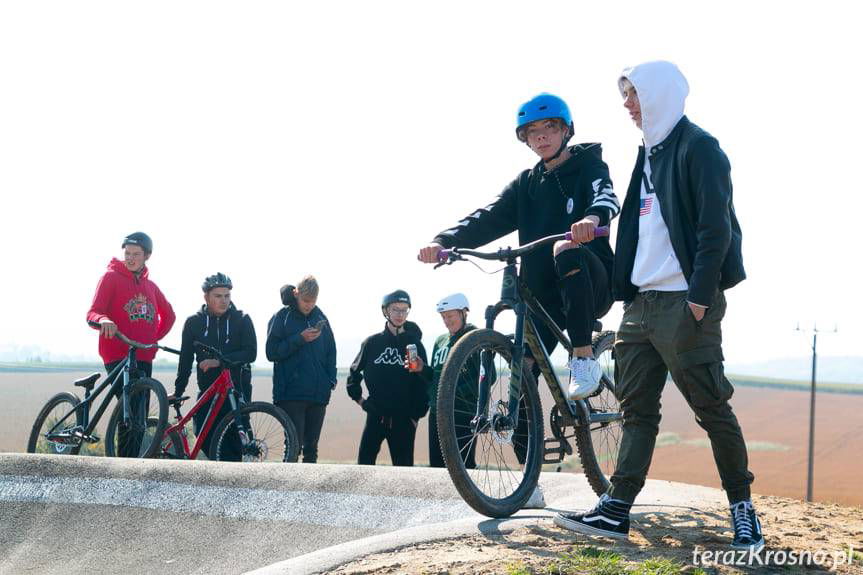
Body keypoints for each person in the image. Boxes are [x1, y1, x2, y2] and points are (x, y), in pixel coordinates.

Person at [554, 60, 762, 552]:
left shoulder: (700, 148)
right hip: (641, 306)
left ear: (661, 95)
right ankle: (616, 509)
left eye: (634, 96)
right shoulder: (648, 152)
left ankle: (743, 511)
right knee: (637, 412)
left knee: (711, 409)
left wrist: (698, 298)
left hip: (684, 304)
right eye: (625, 97)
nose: (627, 106)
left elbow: (717, 230)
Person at [418, 93, 619, 399]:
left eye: (550, 127)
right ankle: (527, 440)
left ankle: (582, 358)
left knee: (564, 249)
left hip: (589, 283)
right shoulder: (526, 184)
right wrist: (443, 241)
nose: (541, 136)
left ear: (566, 130)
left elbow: (605, 197)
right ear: (525, 139)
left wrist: (591, 219)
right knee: (521, 373)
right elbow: (487, 217)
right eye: (532, 131)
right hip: (545, 298)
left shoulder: (588, 165)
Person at [86, 232, 175, 456]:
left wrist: (153, 339)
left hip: (144, 356)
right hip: (117, 354)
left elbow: (170, 315)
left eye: (136, 254)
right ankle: (125, 465)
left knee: (140, 417)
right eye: (127, 253)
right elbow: (93, 312)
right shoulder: (111, 277)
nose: (130, 258)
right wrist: (103, 320)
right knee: (131, 410)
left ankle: (131, 463)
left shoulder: (151, 287)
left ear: (147, 256)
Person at [173, 273, 256, 461]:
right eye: (218, 296)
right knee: (204, 438)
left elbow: (250, 353)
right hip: (208, 392)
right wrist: (178, 391)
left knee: (235, 445)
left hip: (237, 390)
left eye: (227, 296)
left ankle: (231, 484)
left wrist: (220, 361)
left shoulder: (242, 319)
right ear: (206, 297)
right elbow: (185, 361)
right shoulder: (194, 322)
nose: (223, 301)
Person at [346, 290, 431, 466]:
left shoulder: (415, 344)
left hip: (405, 420)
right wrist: (361, 401)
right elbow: (354, 374)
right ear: (386, 311)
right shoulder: (372, 343)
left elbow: (424, 384)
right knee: (363, 467)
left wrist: (416, 416)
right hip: (375, 415)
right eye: (395, 309)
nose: (400, 315)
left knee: (404, 473)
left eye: (404, 310)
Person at [266, 275, 336, 464]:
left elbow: (331, 351)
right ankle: (287, 492)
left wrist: (331, 380)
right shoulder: (282, 317)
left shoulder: (321, 317)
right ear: (296, 294)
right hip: (291, 394)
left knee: (311, 450)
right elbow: (271, 352)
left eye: (313, 301)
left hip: (318, 394)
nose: (309, 305)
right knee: (293, 448)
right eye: (305, 301)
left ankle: (310, 493)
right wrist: (300, 339)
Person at [426, 293, 482, 469]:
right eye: (443, 317)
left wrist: (453, 392)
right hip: (437, 412)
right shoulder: (440, 341)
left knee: (464, 465)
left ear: (463, 313)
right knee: (436, 465)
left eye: (450, 316)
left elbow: (488, 376)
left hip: (463, 412)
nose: (446, 321)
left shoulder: (476, 337)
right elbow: (435, 377)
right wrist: (422, 369)